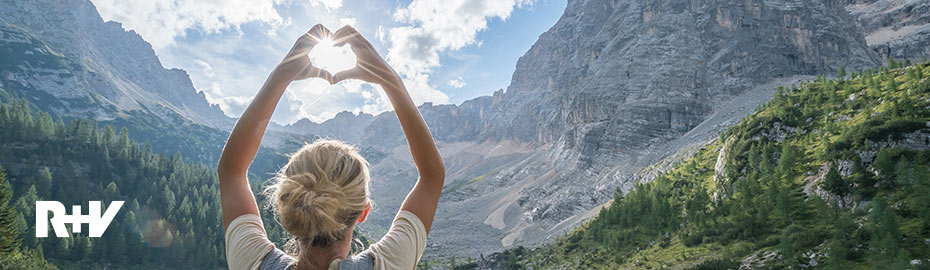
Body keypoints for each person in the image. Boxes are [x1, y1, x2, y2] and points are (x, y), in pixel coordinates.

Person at [217, 24, 445, 270]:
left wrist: (281, 76)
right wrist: (389, 79)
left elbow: (232, 171)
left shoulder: (254, 264)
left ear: (284, 208)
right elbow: (432, 175)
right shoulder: (388, 264)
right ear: (363, 212)